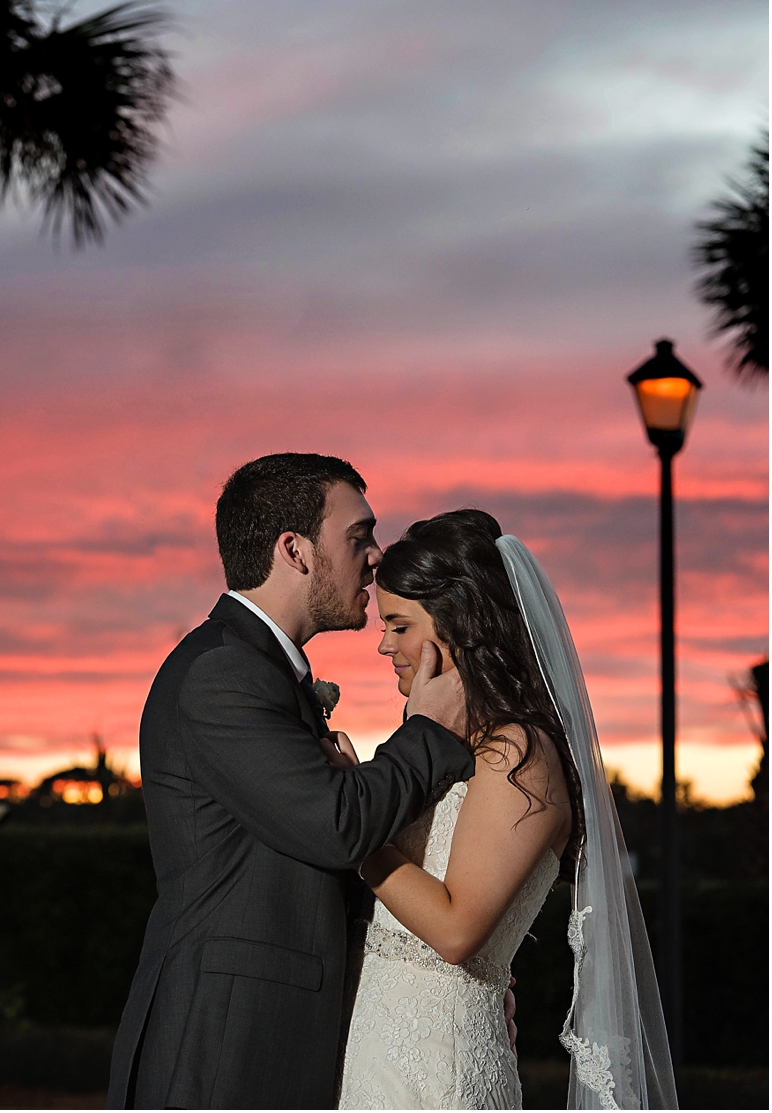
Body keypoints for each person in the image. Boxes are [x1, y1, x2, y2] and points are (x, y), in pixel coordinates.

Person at [106, 454, 477, 1111]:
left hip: (265, 1042)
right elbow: (336, 827)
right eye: (359, 536)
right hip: (222, 1056)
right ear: (295, 550)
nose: (375, 556)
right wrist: (430, 732)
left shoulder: (263, 670)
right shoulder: (223, 672)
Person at [333, 510, 677, 1111]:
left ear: (456, 626)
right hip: (372, 1052)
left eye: (398, 624)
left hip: (437, 1068)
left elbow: (457, 930)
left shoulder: (518, 753)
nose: (384, 644)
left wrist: (351, 826)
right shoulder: (446, 745)